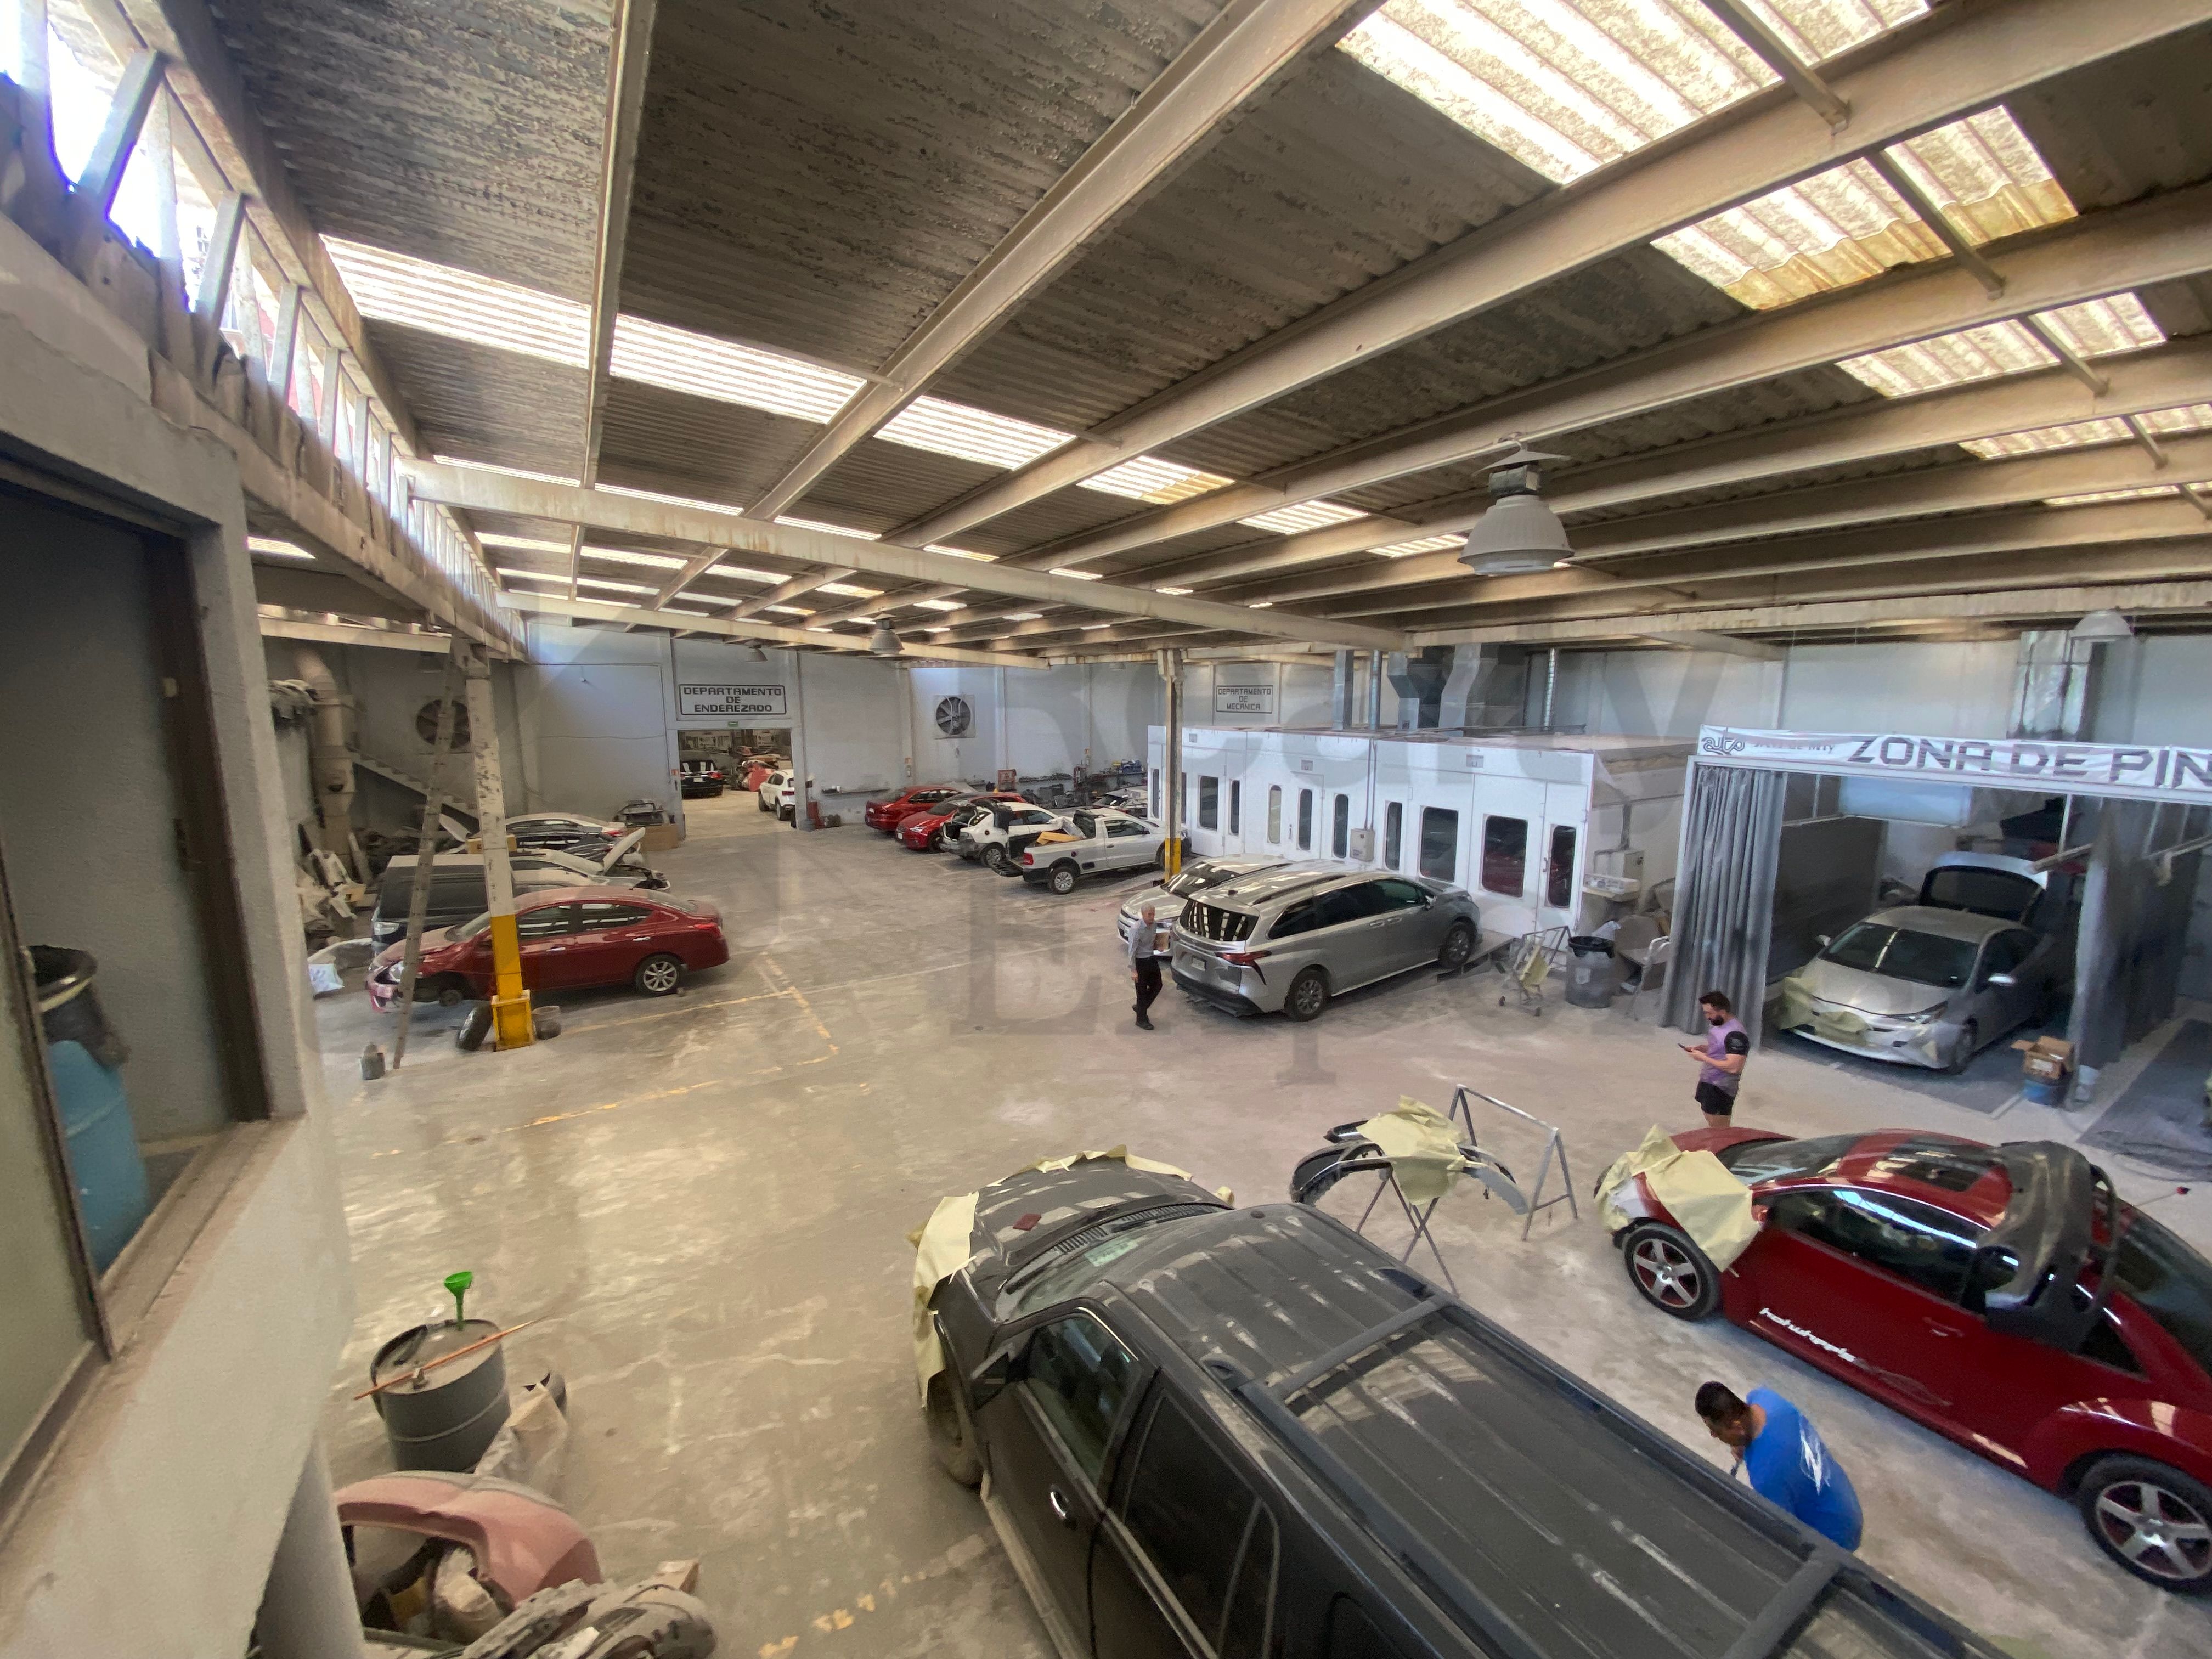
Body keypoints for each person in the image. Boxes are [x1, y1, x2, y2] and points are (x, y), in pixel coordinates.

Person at [1695, 1382, 1863, 1550]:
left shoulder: (1767, 1475)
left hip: (1836, 1535)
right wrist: (1739, 1442)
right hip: (1844, 1500)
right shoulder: (1765, 1398)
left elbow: (1784, 1534)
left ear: (1738, 1427)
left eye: (1715, 1430)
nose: (1713, 1435)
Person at [1679, 988, 1748, 1128]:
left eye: (1709, 1013)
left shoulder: (1736, 1035)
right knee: (1707, 1112)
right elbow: (1720, 1047)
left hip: (1721, 1087)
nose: (1707, 1017)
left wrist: (1704, 1058)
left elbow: (1734, 1067)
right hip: (1709, 1079)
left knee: (1720, 1128)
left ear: (1722, 1012)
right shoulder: (1718, 1025)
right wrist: (1703, 1048)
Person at [1129, 903, 1163, 1031]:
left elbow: (1152, 941)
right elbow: (1132, 950)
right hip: (1140, 963)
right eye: (1150, 914)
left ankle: (1140, 1008)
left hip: (1151, 960)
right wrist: (1133, 970)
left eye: (1153, 913)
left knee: (1158, 985)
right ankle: (1141, 1019)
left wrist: (1158, 945)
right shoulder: (1136, 929)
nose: (1152, 916)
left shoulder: (1154, 925)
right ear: (1143, 915)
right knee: (1142, 992)